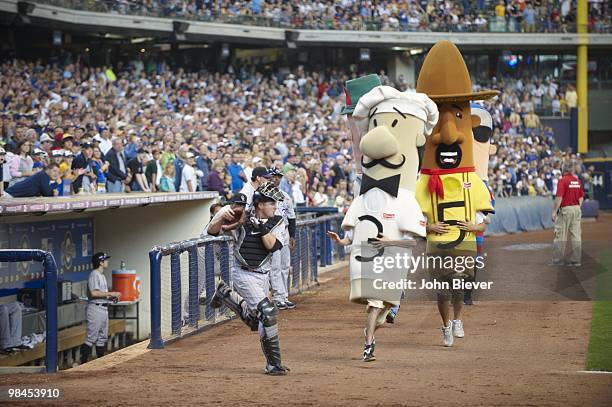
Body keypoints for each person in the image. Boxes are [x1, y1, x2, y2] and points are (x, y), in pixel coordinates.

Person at [206, 182, 289, 375]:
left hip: (263, 275)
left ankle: (225, 294)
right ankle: (274, 365)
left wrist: (261, 229)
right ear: (260, 204)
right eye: (271, 203)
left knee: (256, 322)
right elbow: (212, 231)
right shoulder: (242, 218)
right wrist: (221, 217)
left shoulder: (277, 222)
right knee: (267, 313)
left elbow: (272, 246)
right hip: (242, 272)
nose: (275, 206)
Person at [80, 252, 121, 365]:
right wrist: (111, 293)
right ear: (100, 262)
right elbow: (94, 293)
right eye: (105, 260)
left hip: (103, 308)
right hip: (95, 309)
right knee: (91, 338)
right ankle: (82, 363)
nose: (107, 261)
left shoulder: (102, 276)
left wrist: (110, 298)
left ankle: (100, 363)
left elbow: (101, 294)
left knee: (102, 338)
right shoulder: (94, 274)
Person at [267, 168, 297, 310]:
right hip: (271, 232)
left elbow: (291, 217)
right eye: (273, 176)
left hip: (284, 231)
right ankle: (278, 297)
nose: (275, 179)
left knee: (285, 266)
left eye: (278, 176)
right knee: (275, 266)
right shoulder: (264, 194)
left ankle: (284, 296)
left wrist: (292, 235)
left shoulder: (285, 195)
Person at [551, 164, 584, 266]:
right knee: (576, 235)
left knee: (560, 235)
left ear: (563, 171)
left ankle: (557, 259)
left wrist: (554, 211)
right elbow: (581, 197)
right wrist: (577, 207)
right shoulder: (577, 181)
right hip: (577, 208)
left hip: (566, 210)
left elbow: (559, 198)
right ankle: (576, 260)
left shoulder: (562, 180)